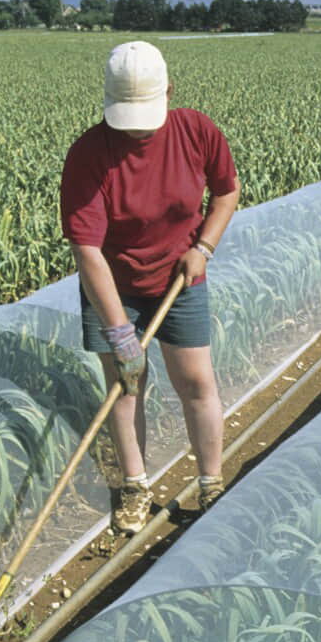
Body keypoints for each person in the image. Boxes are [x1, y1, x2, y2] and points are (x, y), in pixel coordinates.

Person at [60, 41, 239, 533]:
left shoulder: (196, 131)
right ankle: (135, 486)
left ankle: (210, 482)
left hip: (181, 279)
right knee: (125, 387)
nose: (137, 127)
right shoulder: (89, 154)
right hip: (112, 286)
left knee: (196, 383)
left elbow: (226, 191)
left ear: (169, 93)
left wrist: (202, 248)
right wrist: (120, 332)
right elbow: (87, 249)